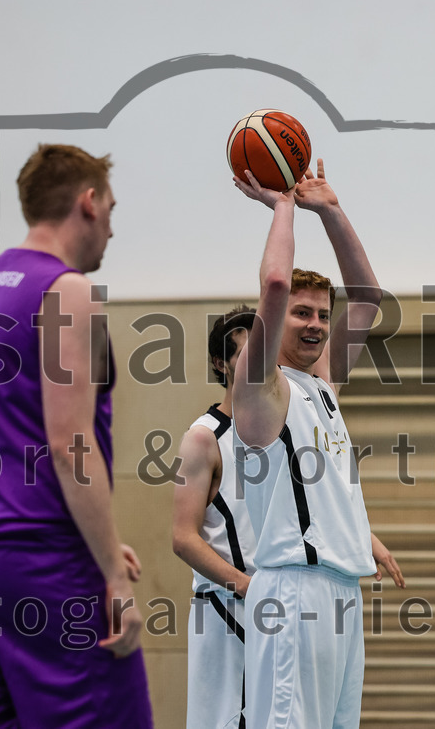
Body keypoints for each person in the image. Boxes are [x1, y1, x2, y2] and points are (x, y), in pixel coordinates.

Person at [0, 143, 153, 728]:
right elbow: (69, 442)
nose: (111, 225)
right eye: (110, 206)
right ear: (87, 202)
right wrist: (107, 566)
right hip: (47, 564)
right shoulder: (66, 289)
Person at [230, 161, 405, 728]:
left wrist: (329, 209)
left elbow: (370, 296)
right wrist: (283, 206)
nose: (315, 324)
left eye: (323, 315)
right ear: (274, 323)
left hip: (340, 595)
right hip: (293, 597)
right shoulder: (260, 389)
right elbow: (275, 284)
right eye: (302, 313)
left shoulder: (322, 385)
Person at [172, 306, 258, 729]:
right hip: (228, 608)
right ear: (220, 364)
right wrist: (246, 586)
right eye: (246, 354)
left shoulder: (286, 432)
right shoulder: (203, 437)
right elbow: (183, 538)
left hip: (280, 606)